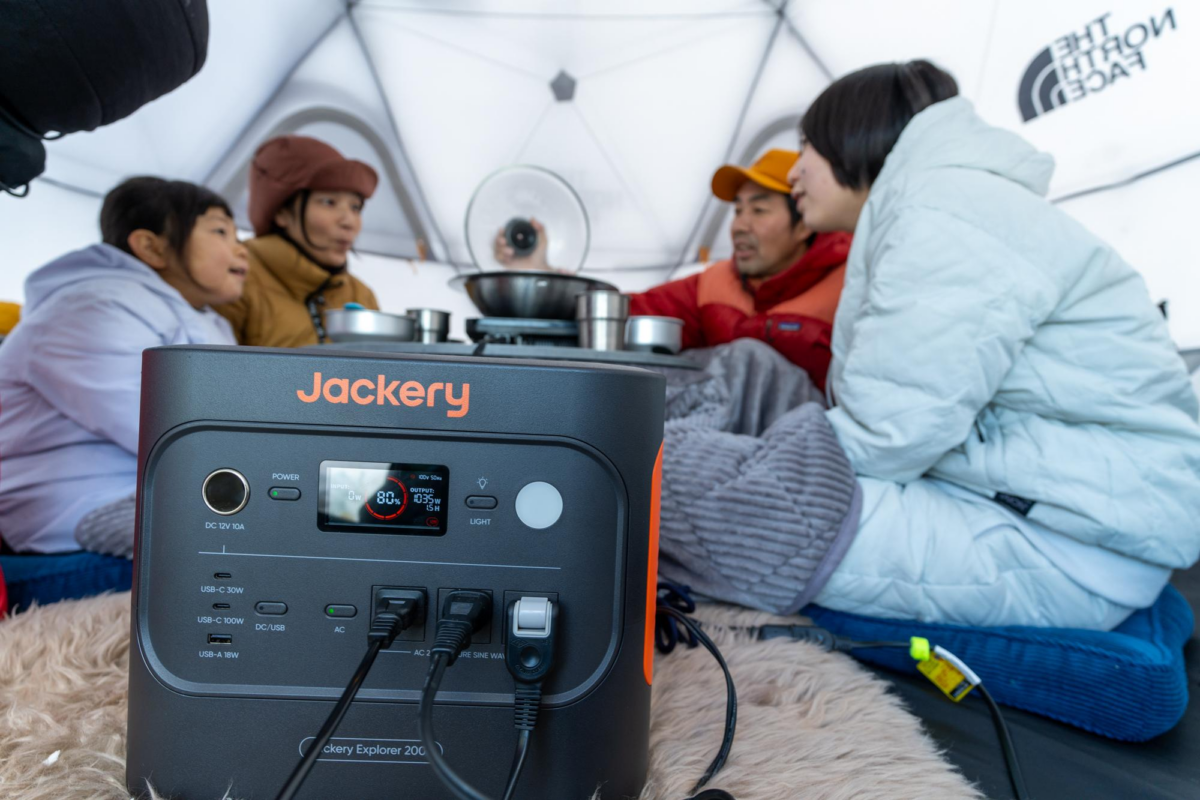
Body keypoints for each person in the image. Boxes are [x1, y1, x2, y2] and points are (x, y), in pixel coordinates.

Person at [786, 60, 1200, 628]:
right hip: (1073, 515)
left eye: (805, 146)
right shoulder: (947, 202)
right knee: (759, 491)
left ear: (852, 137)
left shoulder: (946, 212)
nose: (793, 172)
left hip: (1071, 549)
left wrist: (770, 454)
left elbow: (889, 436)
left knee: (756, 518)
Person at [0, 178, 247, 571]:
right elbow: (157, 424)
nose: (241, 248)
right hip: (78, 507)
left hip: (159, 489)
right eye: (220, 231)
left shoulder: (209, 321)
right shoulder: (90, 308)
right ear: (151, 246)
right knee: (238, 545)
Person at [495, 150, 851, 388]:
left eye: (758, 210)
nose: (739, 226)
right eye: (738, 210)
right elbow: (628, 312)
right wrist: (539, 276)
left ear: (804, 223)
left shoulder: (849, 286)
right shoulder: (715, 283)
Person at [214, 135, 380, 347]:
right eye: (329, 202)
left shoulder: (361, 295)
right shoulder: (235, 279)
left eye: (355, 207)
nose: (349, 222)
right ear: (282, 212)